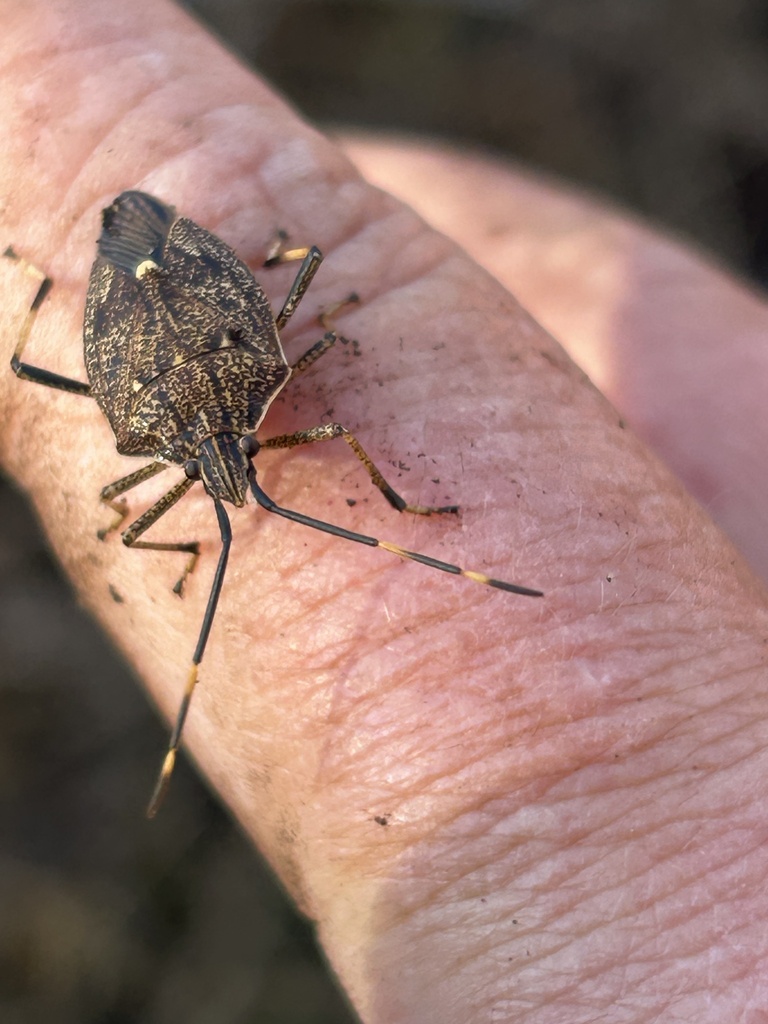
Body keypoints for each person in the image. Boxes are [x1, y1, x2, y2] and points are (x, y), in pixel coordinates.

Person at [4, 1, 768, 1020]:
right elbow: (302, 285)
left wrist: (314, 517)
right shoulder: (252, 392)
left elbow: (136, 507)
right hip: (182, 299)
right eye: (220, 498)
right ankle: (22, 276)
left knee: (109, 436)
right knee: (267, 317)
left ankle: (24, 283)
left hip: (164, 326)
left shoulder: (161, 440)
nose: (241, 492)